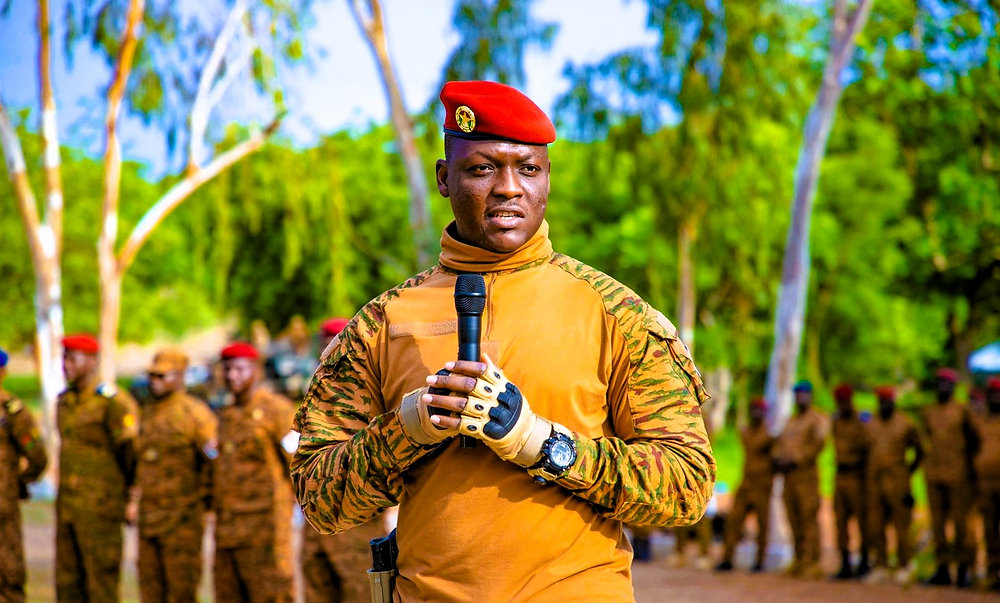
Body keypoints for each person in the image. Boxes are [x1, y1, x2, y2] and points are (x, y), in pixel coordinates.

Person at [290, 80, 715, 600]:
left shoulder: (615, 313)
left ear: (547, 179)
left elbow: (686, 488)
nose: (510, 187)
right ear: (445, 178)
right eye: (483, 168)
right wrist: (411, 427)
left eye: (528, 169)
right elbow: (319, 500)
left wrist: (541, 443)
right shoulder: (383, 322)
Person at [300, 318, 385, 603]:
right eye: (326, 345)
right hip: (316, 529)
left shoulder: (375, 393)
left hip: (358, 527)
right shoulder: (311, 399)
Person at [55, 334, 139, 601]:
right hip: (69, 506)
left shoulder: (111, 402)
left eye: (73, 359)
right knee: (68, 583)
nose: (66, 365)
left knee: (100, 584)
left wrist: (130, 496)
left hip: (101, 508)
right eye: (64, 358)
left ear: (92, 362)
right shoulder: (65, 401)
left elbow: (131, 453)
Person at [212, 342, 297, 602]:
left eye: (239, 369)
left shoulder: (277, 409)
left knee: (272, 593)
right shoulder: (225, 415)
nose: (231, 376)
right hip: (229, 528)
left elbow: (296, 461)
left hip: (266, 527)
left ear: (256, 371)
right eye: (227, 369)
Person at [132, 348, 218, 602]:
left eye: (162, 376)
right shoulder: (147, 412)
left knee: (181, 592)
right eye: (152, 376)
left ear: (180, 377)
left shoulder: (195, 413)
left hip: (182, 521)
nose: (154, 381)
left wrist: (207, 501)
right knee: (150, 591)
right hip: (149, 519)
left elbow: (214, 460)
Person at [0, 347, 48, 602]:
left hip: (3, 508)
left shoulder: (11, 409)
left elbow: (37, 455)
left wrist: (19, 481)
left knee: (9, 577)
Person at [922, 367, 977, 588]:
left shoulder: (964, 412)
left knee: (962, 523)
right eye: (939, 384)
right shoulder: (929, 411)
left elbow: (975, 440)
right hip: (934, 474)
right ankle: (942, 567)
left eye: (947, 384)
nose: (942, 388)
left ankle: (965, 569)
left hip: (958, 474)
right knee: (937, 523)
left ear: (954, 387)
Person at [864, 386, 922, 585]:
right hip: (875, 482)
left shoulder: (906, 423)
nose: (885, 405)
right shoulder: (871, 424)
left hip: (898, 481)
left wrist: (907, 471)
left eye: (888, 401)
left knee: (902, 525)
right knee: (876, 524)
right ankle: (880, 564)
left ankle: (905, 564)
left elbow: (920, 450)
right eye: (882, 401)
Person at [772, 380, 828, 578]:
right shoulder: (791, 421)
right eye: (798, 394)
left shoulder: (816, 420)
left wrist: (797, 459)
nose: (801, 398)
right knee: (793, 518)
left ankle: (813, 562)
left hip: (806, 476)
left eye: (805, 394)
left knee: (808, 518)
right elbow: (780, 443)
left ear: (810, 396)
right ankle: (799, 559)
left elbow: (819, 444)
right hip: (789, 478)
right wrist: (778, 458)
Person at [716, 397, 775, 572]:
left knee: (762, 525)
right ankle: (727, 558)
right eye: (754, 410)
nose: (756, 413)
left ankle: (760, 561)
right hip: (746, 482)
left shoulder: (769, 435)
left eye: (760, 410)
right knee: (733, 521)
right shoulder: (747, 432)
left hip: (763, 485)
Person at [830, 384, 871, 579]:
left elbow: (869, 449)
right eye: (839, 402)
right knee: (840, 521)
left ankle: (864, 560)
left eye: (844, 401)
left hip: (857, 476)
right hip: (840, 475)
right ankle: (845, 562)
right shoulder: (835, 422)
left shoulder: (862, 421)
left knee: (863, 520)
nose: (841, 405)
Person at [972, 377, 1000, 590]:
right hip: (985, 484)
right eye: (992, 394)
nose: (996, 398)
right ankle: (993, 571)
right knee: (989, 529)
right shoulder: (980, 421)